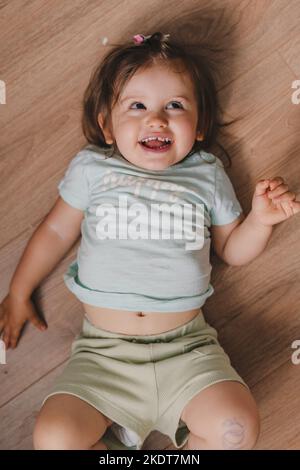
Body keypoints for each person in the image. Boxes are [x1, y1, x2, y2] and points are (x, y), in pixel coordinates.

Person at [1, 32, 299, 451]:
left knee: (236, 427)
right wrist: (18, 290)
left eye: (175, 106)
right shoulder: (93, 170)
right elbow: (55, 230)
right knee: (54, 438)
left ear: (199, 128)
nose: (156, 119)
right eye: (137, 106)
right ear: (107, 126)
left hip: (187, 352)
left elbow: (232, 249)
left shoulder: (206, 175)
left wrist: (261, 221)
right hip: (104, 358)